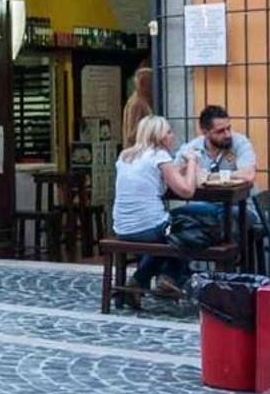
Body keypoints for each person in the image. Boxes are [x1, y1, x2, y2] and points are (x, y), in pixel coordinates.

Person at [110, 114, 201, 300]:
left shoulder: (125, 156)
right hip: (148, 228)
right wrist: (192, 161)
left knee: (173, 227)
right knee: (192, 232)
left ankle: (140, 281)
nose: (172, 135)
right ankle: (168, 277)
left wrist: (178, 170)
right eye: (168, 132)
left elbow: (152, 180)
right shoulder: (159, 155)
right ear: (158, 137)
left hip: (122, 228)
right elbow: (186, 191)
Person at [178, 105, 257, 180]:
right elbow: (176, 176)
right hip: (205, 194)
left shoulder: (240, 142)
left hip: (243, 194)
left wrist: (207, 176)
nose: (228, 135)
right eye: (220, 131)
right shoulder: (191, 148)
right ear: (205, 132)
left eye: (228, 128)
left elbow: (248, 175)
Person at [121, 66, 154, 141]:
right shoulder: (136, 103)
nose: (153, 86)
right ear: (142, 83)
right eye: (151, 82)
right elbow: (131, 134)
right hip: (138, 150)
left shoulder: (141, 101)